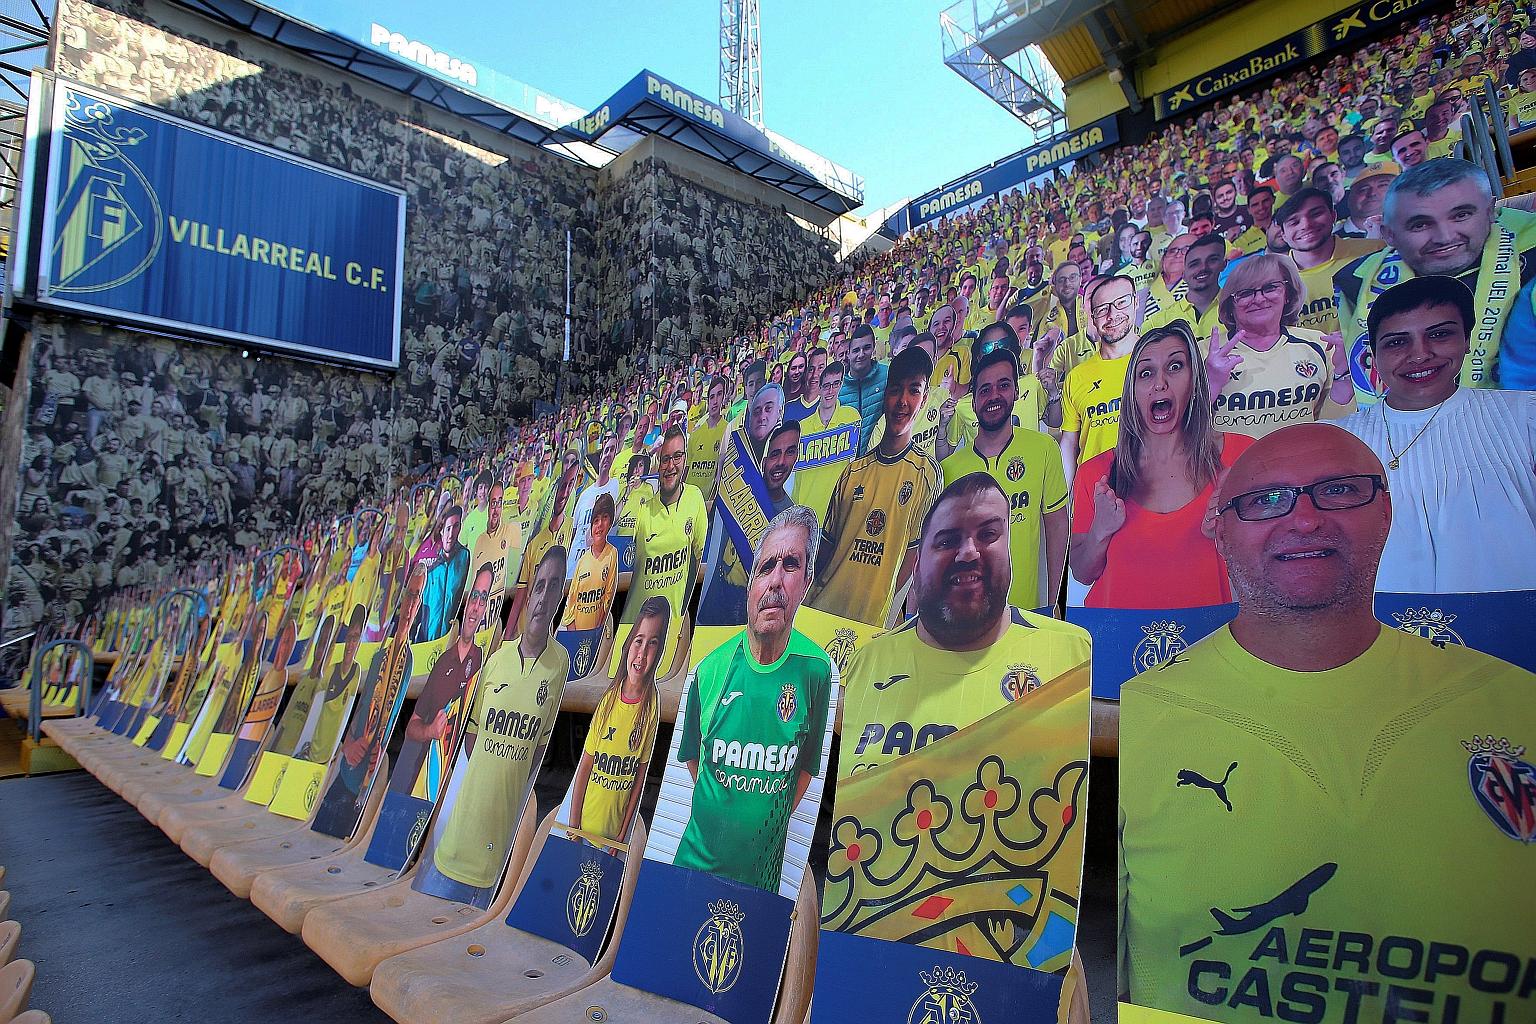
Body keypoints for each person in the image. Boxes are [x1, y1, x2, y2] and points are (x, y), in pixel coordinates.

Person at [1118, 422, 1535, 1024]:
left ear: (1385, 512)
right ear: (1219, 528)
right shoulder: (1135, 718)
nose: (1305, 519)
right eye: (1266, 500)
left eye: (1339, 490)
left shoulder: (1515, 706)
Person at [1339, 276, 1536, 592]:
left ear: (1467, 340)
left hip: (1511, 614)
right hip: (1384, 616)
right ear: (1373, 356)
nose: (1420, 355)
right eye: (1397, 342)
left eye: (1439, 334)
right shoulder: (1338, 440)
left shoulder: (1524, 416)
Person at [674, 506, 833, 891]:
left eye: (791, 565)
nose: (776, 580)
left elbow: (806, 768)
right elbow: (695, 760)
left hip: (761, 883)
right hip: (691, 871)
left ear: (807, 581)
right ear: (751, 584)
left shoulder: (817, 672)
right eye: (765, 567)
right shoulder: (710, 670)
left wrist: (762, 820)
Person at [1070, 322, 1255, 608]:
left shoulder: (1243, 458)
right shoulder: (1095, 474)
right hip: (1119, 634)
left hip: (1212, 633)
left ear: (1195, 381)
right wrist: (1101, 530)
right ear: (1132, 391)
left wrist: (1229, 535)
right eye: (1146, 373)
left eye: (1175, 366)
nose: (1160, 383)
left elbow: (1270, 563)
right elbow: (1082, 573)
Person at [425, 546, 569, 896]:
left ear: (560, 597)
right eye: (539, 586)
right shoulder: (496, 661)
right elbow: (470, 741)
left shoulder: (560, 663)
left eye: (553, 587)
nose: (543, 597)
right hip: (452, 848)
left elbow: (537, 752)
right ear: (529, 594)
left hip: (494, 862)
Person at [1336, 157, 1536, 389]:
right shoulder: (1352, 283)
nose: (1444, 237)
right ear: (1389, 234)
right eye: (1420, 225)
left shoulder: (1532, 247)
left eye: (1461, 215)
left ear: (1490, 211)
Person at [810, 347, 941, 627]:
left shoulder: (926, 474)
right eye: (895, 390)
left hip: (870, 624)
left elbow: (913, 558)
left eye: (913, 391)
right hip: (820, 611)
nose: (902, 401)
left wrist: (886, 618)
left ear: (924, 399)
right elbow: (826, 550)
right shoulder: (853, 472)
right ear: (884, 396)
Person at [941, 337, 1067, 610]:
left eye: (1003, 385)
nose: (994, 396)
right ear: (973, 402)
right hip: (966, 616)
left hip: (1024, 614)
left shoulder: (1043, 449)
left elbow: (1057, 526)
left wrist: (1055, 602)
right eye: (985, 390)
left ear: (1016, 392)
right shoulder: (950, 469)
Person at [1207, 253, 1355, 437]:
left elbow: (1334, 426)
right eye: (1245, 293)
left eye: (1270, 288)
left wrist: (1343, 376)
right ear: (1230, 305)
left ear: (1288, 295)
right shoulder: (1202, 353)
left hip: (1305, 453)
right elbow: (1183, 429)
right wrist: (1211, 384)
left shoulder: (1321, 344)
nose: (1259, 299)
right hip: (1228, 457)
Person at [568, 595, 667, 847]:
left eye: (652, 643)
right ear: (629, 643)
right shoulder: (609, 701)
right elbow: (585, 766)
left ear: (660, 651)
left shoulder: (651, 707)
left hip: (613, 840)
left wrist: (622, 835)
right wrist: (573, 825)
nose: (642, 654)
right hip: (583, 831)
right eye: (639, 641)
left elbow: (639, 777)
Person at [613, 426, 707, 679]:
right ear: (658, 464)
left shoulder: (695, 498)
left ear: (685, 460)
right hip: (636, 628)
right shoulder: (644, 510)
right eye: (665, 459)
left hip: (673, 626)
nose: (671, 465)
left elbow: (700, 558)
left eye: (677, 457)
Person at [391, 563, 492, 798]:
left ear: (487, 609)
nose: (475, 606)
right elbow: (411, 727)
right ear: (465, 603)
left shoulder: (485, 663)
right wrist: (430, 731)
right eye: (474, 596)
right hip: (418, 781)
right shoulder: (443, 662)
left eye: (483, 599)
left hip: (457, 783)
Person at [1058, 274, 1140, 490]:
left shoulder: (1158, 361)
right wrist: (1066, 499)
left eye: (1121, 302)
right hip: (1093, 494)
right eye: (1103, 309)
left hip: (1151, 492)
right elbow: (1069, 443)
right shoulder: (1076, 377)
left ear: (1136, 302)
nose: (1113, 315)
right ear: (1093, 318)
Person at [1272, 188, 1384, 335]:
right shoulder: (1272, 280)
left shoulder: (1375, 252)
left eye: (1315, 214)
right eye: (1294, 222)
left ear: (1333, 216)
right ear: (1283, 235)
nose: (1306, 225)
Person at [1142, 231, 1226, 341]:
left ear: (1223, 264)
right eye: (1172, 250)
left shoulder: (1237, 307)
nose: (1203, 268)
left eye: (1186, 249)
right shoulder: (1151, 314)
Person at [412, 505, 470, 642]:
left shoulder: (465, 557)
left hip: (452, 638)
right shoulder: (432, 569)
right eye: (448, 528)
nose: (451, 534)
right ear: (442, 531)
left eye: (455, 527)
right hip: (429, 641)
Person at [839, 325, 889, 456]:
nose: (861, 354)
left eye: (866, 348)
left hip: (879, 457)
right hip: (847, 461)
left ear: (873, 348)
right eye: (856, 350)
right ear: (848, 353)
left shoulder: (887, 375)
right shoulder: (837, 386)